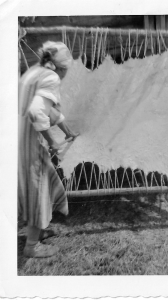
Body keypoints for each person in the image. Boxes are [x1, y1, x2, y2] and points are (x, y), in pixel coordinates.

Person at [18, 41, 79, 258]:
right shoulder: (51, 78)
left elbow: (48, 110)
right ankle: (31, 246)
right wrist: (52, 141)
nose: (64, 75)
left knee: (38, 186)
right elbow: (37, 112)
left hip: (17, 137)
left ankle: (37, 232)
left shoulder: (35, 72)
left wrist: (68, 131)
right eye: (65, 70)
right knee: (38, 189)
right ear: (58, 68)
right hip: (27, 142)